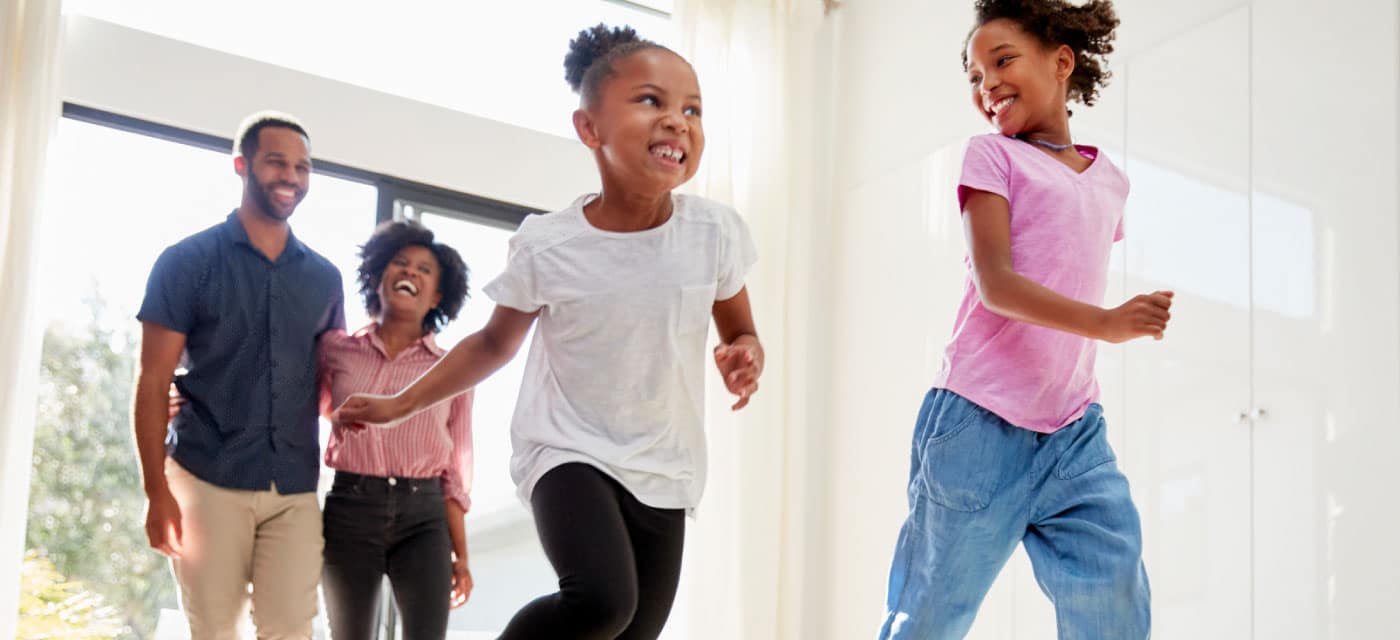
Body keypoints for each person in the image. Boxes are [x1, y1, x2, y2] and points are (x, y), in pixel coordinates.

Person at [333, 24, 763, 640]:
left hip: (665, 463)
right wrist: (402, 404)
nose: (677, 121)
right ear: (589, 129)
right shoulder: (550, 243)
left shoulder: (713, 234)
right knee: (602, 602)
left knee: (633, 629)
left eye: (692, 109)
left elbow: (740, 329)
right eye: (651, 101)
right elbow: (491, 343)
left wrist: (745, 353)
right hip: (568, 449)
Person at [878, 1, 1170, 638]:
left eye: (1002, 61)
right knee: (929, 613)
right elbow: (997, 286)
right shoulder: (992, 157)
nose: (988, 86)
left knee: (1113, 594)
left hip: (1073, 429)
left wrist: (1107, 324)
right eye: (976, 78)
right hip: (978, 423)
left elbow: (1068, 262)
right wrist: (1107, 323)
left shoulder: (1111, 181)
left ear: (1061, 61)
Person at [134, 111, 343, 639]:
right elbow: (153, 381)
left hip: (294, 486)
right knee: (214, 631)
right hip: (207, 477)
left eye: (302, 167)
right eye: (277, 162)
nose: (291, 177)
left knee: (292, 631)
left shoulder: (324, 278)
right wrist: (156, 490)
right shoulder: (186, 261)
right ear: (241, 165)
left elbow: (327, 382)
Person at [318, 219, 475, 639]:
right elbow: (308, 408)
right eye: (400, 263)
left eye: (424, 270)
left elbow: (454, 472)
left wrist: (460, 554)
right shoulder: (336, 349)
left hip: (424, 517)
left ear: (438, 295)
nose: (410, 273)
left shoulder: (452, 370)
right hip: (350, 509)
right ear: (378, 275)